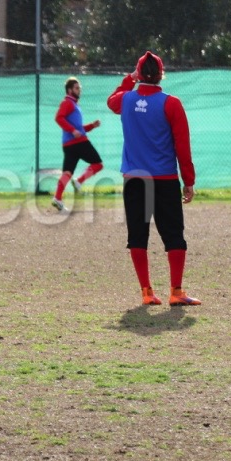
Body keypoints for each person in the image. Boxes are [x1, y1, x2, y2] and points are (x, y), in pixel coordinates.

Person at [107, 51, 200, 307]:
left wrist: (129, 79)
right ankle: (176, 291)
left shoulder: (125, 100)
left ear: (139, 74)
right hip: (165, 179)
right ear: (161, 74)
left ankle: (147, 292)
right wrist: (188, 180)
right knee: (174, 235)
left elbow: (111, 101)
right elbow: (183, 145)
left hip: (134, 179)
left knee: (137, 235)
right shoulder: (171, 103)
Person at [52, 76, 103, 212]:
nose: (79, 90)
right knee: (98, 164)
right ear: (69, 90)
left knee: (67, 172)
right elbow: (58, 118)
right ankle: (79, 181)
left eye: (79, 88)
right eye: (76, 88)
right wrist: (72, 130)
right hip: (78, 143)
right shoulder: (68, 103)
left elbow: (79, 129)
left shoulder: (74, 104)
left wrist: (92, 126)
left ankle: (57, 198)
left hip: (69, 144)